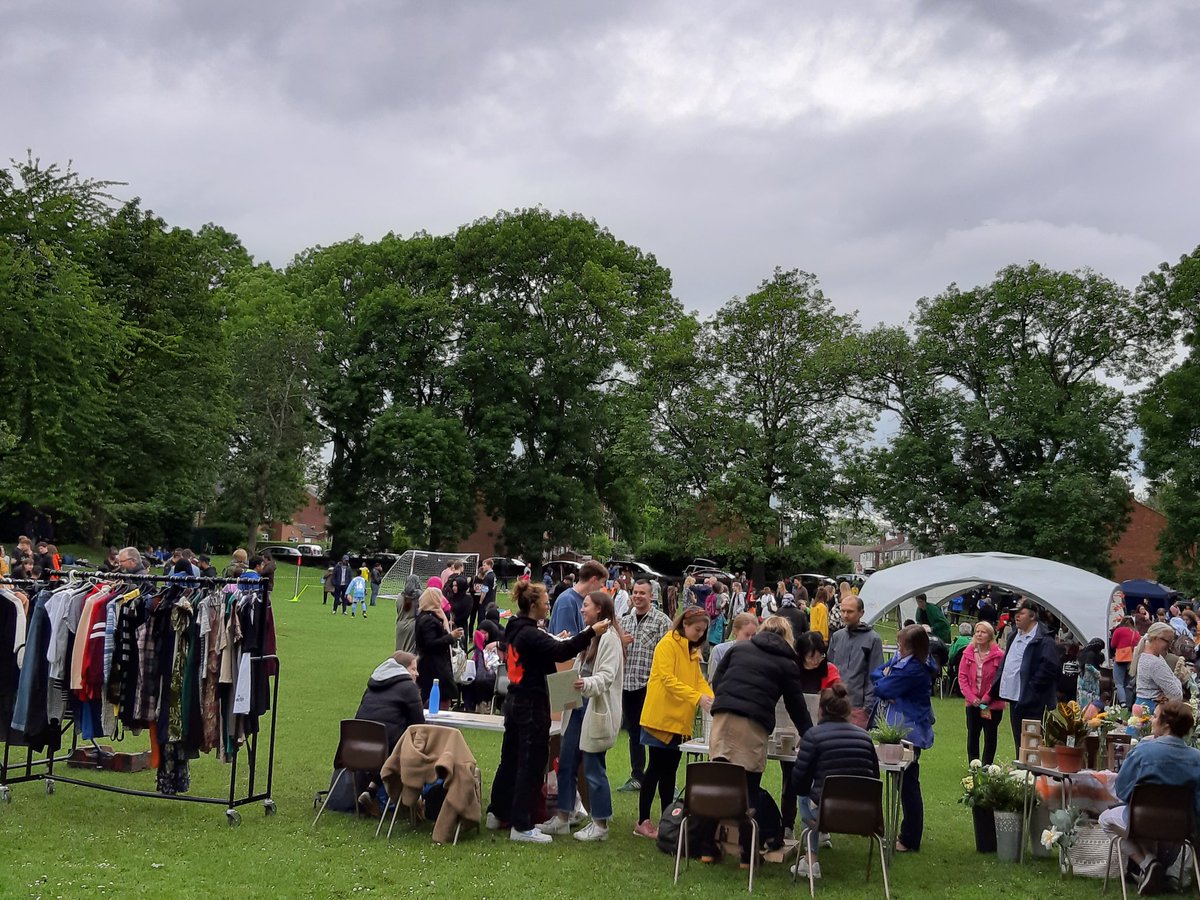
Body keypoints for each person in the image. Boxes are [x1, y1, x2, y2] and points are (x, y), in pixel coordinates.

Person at [486, 581, 608, 843]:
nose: (548, 604)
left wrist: (556, 639)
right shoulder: (531, 633)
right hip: (531, 705)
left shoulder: (516, 627)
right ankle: (521, 826)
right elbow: (560, 651)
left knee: (509, 759)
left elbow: (544, 647)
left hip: (515, 702)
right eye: (544, 602)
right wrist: (589, 632)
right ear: (533, 606)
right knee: (530, 764)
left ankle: (497, 812)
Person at [707, 615, 812, 865]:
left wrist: (728, 700)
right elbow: (796, 705)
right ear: (788, 638)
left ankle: (707, 849)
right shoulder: (787, 663)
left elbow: (718, 680)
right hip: (753, 724)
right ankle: (746, 855)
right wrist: (809, 734)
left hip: (721, 719)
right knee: (748, 789)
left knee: (717, 784)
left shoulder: (740, 648)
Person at [540, 591, 624, 842]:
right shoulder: (587, 636)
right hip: (576, 708)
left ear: (599, 609)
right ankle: (563, 818)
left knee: (593, 766)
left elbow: (607, 677)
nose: (581, 610)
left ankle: (600, 823)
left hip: (594, 709)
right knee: (565, 763)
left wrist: (583, 684)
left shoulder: (609, 639)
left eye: (585, 606)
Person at [1099, 700, 1200, 895]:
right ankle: (1158, 869)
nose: (1151, 721)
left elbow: (1122, 790)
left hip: (1141, 822)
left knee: (1105, 819)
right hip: (1182, 827)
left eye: (1155, 717)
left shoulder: (1143, 752)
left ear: (1166, 725)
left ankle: (1147, 863)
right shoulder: (1197, 759)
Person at [634, 606, 713, 840]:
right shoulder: (667, 644)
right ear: (685, 625)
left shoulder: (692, 650)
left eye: (703, 631)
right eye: (697, 629)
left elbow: (699, 680)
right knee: (655, 770)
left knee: (670, 772)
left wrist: (712, 698)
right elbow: (668, 680)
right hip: (660, 718)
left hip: (679, 721)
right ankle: (642, 821)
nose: (700, 634)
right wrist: (697, 697)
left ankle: (667, 820)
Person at [789, 684, 880, 881]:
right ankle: (818, 843)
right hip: (864, 815)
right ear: (848, 710)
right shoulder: (865, 738)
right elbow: (875, 779)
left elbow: (798, 781)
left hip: (826, 813)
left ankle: (811, 859)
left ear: (820, 710)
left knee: (804, 796)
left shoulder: (812, 737)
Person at [871, 624, 937, 853]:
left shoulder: (916, 669)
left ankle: (909, 838)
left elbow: (883, 688)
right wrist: (886, 678)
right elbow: (876, 674)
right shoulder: (903, 660)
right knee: (902, 783)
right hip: (897, 727)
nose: (897, 649)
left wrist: (887, 681)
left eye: (900, 645)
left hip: (910, 731)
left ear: (912, 648)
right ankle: (903, 833)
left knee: (908, 784)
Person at [351, 651, 426, 817]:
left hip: (354, 749)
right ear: (402, 670)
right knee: (411, 746)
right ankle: (416, 799)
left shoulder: (372, 684)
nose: (417, 673)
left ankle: (371, 790)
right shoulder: (408, 687)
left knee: (395, 742)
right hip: (386, 752)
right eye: (413, 669)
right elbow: (419, 725)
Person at [616, 578, 672, 794]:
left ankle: (660, 776)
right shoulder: (625, 621)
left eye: (642, 593)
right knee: (634, 733)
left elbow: (667, 655)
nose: (638, 596)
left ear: (651, 596)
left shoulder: (662, 621)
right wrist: (621, 643)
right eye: (635, 592)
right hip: (628, 684)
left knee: (656, 734)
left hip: (651, 686)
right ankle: (637, 775)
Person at [991, 598, 1061, 754]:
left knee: (1032, 741)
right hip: (1015, 698)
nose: (1016, 616)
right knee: (1019, 741)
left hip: (1033, 700)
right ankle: (1022, 772)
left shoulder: (1044, 639)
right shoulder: (1013, 636)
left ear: (1032, 615)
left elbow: (1050, 667)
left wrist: (1033, 688)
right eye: (1015, 613)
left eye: (1021, 613)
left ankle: (1034, 776)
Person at [826, 592, 884, 728]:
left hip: (858, 707)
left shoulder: (873, 639)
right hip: (835, 704)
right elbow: (829, 669)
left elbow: (875, 675)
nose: (845, 615)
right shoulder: (837, 636)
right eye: (843, 611)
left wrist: (867, 707)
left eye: (850, 612)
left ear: (861, 613)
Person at [958, 621, 1005, 765]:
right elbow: (962, 677)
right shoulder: (967, 653)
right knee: (973, 733)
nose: (979, 634)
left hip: (992, 703)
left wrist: (987, 698)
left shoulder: (999, 655)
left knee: (990, 734)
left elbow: (999, 678)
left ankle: (987, 765)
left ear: (990, 635)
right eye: (977, 631)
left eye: (983, 632)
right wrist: (971, 698)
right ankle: (974, 763)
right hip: (972, 702)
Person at [414, 588, 464, 707]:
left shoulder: (426, 616)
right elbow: (431, 643)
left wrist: (445, 622)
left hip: (432, 664)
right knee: (439, 698)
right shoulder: (428, 620)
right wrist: (451, 637)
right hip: (434, 666)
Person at [1134, 622, 1185, 712]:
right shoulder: (1154, 662)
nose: (1170, 646)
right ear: (1155, 638)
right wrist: (1177, 681)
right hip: (1151, 710)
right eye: (1167, 641)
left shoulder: (1148, 656)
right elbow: (1176, 695)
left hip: (1142, 706)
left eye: (1171, 642)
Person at [550, 560, 606, 637]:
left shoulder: (580, 600)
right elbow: (566, 643)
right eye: (602, 582)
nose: (603, 586)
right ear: (594, 580)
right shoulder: (567, 601)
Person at [708, 612, 758, 688]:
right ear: (735, 631)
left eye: (754, 635)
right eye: (746, 635)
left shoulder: (757, 654)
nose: (750, 639)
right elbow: (712, 681)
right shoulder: (719, 650)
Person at [1110, 615, 1140, 707]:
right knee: (1128, 685)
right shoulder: (1137, 633)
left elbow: (1113, 644)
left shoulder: (1118, 631)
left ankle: (1122, 703)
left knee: (1119, 683)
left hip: (1121, 658)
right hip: (1132, 659)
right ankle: (1129, 705)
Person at [445, 562, 472, 640]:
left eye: (456, 586)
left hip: (461, 626)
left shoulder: (468, 598)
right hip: (450, 626)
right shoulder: (450, 597)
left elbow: (466, 614)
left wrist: (455, 621)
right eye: (453, 585)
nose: (454, 588)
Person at [395, 574, 420, 653]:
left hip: (400, 625)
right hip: (412, 625)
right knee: (410, 653)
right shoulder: (418, 597)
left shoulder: (399, 597)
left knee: (399, 651)